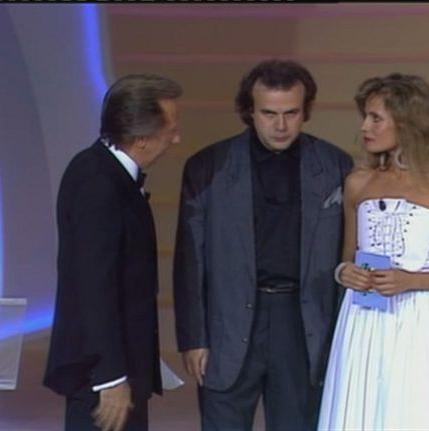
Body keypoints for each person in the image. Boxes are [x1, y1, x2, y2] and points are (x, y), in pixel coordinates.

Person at [172, 59, 354, 431]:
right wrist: (193, 338)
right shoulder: (208, 166)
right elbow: (190, 260)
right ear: (249, 111)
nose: (281, 125)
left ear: (306, 111)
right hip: (229, 321)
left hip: (302, 324)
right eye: (269, 113)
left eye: (291, 113)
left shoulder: (336, 165)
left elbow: (348, 252)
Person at [317, 73, 429, 430]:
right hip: (364, 318)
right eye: (365, 116)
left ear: (407, 123)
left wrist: (413, 280)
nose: (364, 127)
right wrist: (344, 273)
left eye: (375, 118)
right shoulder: (358, 183)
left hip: (422, 320)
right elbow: (347, 258)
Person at [43, 73, 182, 431]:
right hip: (103, 380)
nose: (176, 138)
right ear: (141, 138)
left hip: (120, 369)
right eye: (170, 130)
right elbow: (94, 286)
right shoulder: (98, 184)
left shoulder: (101, 170)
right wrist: (110, 378)